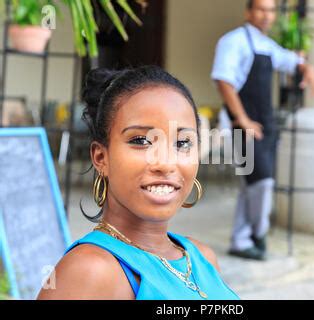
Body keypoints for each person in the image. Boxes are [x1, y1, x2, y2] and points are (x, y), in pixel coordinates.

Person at [37, 66, 239, 300]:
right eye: (141, 140)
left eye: (182, 143)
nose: (165, 163)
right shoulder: (89, 273)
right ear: (101, 158)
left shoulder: (202, 258)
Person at [211, 0, 314, 260]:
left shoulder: (268, 46)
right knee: (261, 181)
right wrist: (243, 119)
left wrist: (307, 67)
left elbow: (291, 61)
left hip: (266, 125)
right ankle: (259, 234)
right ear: (249, 12)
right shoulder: (232, 41)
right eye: (261, 9)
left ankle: (241, 240)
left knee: (251, 184)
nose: (266, 15)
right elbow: (223, 80)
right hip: (243, 125)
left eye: (270, 11)